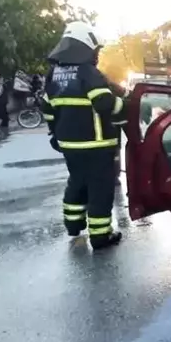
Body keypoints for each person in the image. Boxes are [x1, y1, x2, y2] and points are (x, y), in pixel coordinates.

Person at [41, 21, 126, 249]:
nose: (97, 55)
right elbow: (104, 103)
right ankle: (100, 236)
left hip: (69, 144)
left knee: (77, 182)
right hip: (96, 143)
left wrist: (54, 134)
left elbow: (48, 109)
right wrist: (126, 105)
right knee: (100, 189)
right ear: (86, 46)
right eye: (96, 50)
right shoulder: (87, 72)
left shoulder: (54, 74)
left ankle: (73, 225)